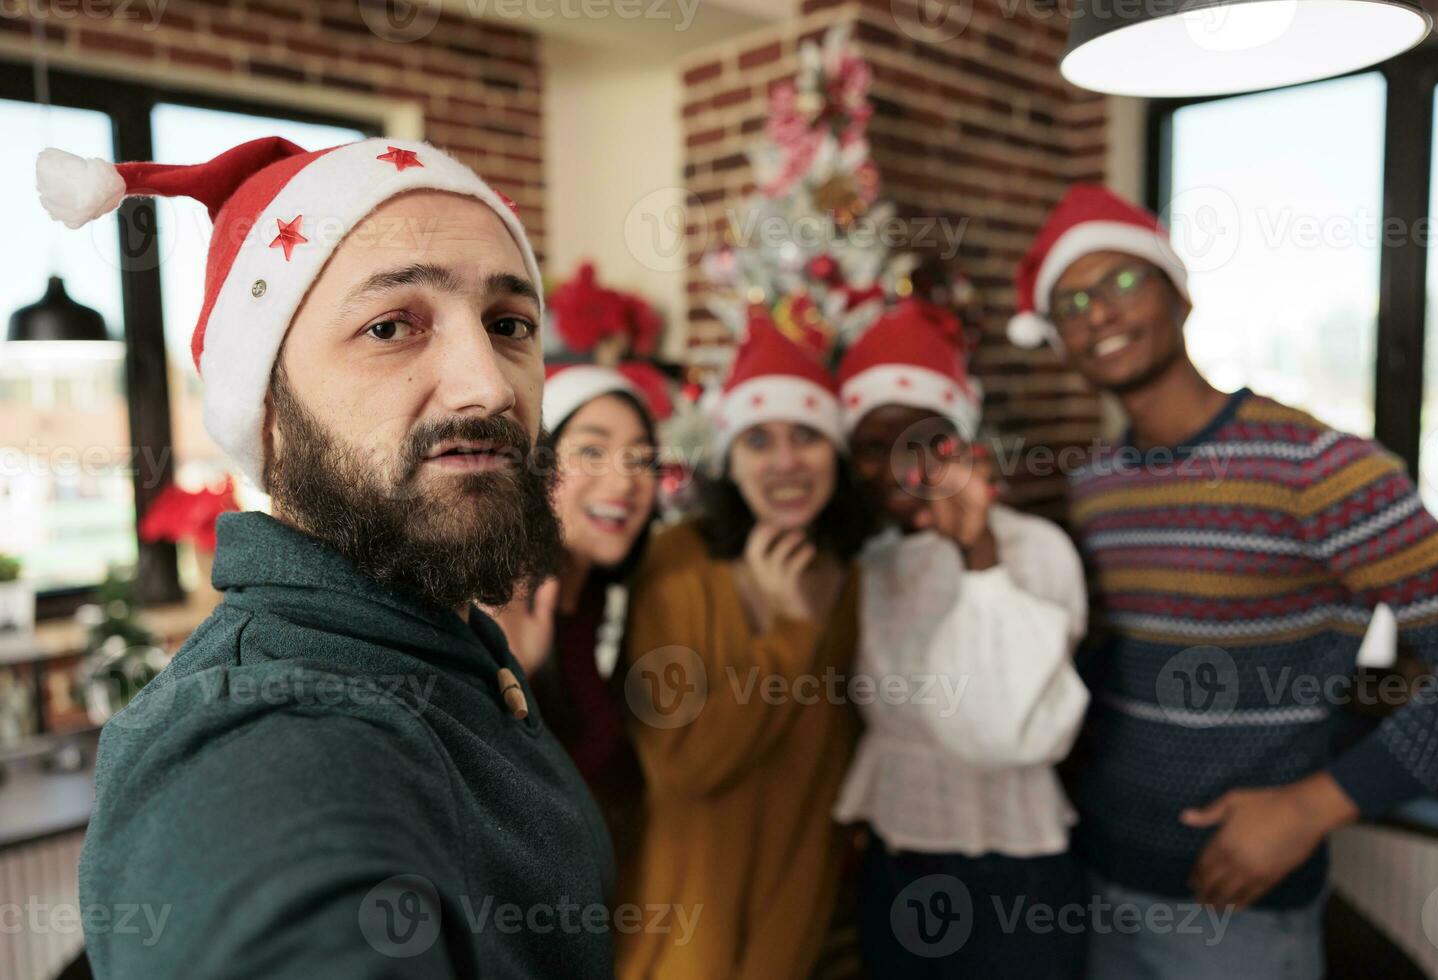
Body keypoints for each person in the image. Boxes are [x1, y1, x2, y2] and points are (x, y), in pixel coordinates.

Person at [39, 137, 613, 976]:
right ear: (265, 408)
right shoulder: (264, 727)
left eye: (508, 325)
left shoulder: (443, 635)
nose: (487, 385)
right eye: (390, 326)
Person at [1008, 184, 1438, 979]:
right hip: (1090, 880)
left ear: (1179, 294)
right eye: (1072, 301)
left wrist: (1315, 805)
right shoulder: (1094, 486)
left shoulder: (1320, 467)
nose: (1099, 313)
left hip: (1237, 914)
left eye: (1122, 281)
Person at [833, 298, 1090, 978]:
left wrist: (978, 554)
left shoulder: (1036, 551)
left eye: (916, 439)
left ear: (957, 441)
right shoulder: (876, 563)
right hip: (897, 859)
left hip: (1011, 870)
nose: (893, 465)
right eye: (870, 444)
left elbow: (1007, 732)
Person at [616, 314, 873, 979]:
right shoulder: (676, 564)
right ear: (730, 460)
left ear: (836, 456)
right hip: (684, 921)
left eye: (807, 436)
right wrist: (791, 633)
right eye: (759, 440)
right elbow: (679, 765)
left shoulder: (855, 577)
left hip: (798, 916)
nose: (786, 461)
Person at [491, 362, 664, 868]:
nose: (625, 480)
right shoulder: (495, 601)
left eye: (643, 459)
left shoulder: (589, 601)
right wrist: (508, 674)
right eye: (592, 450)